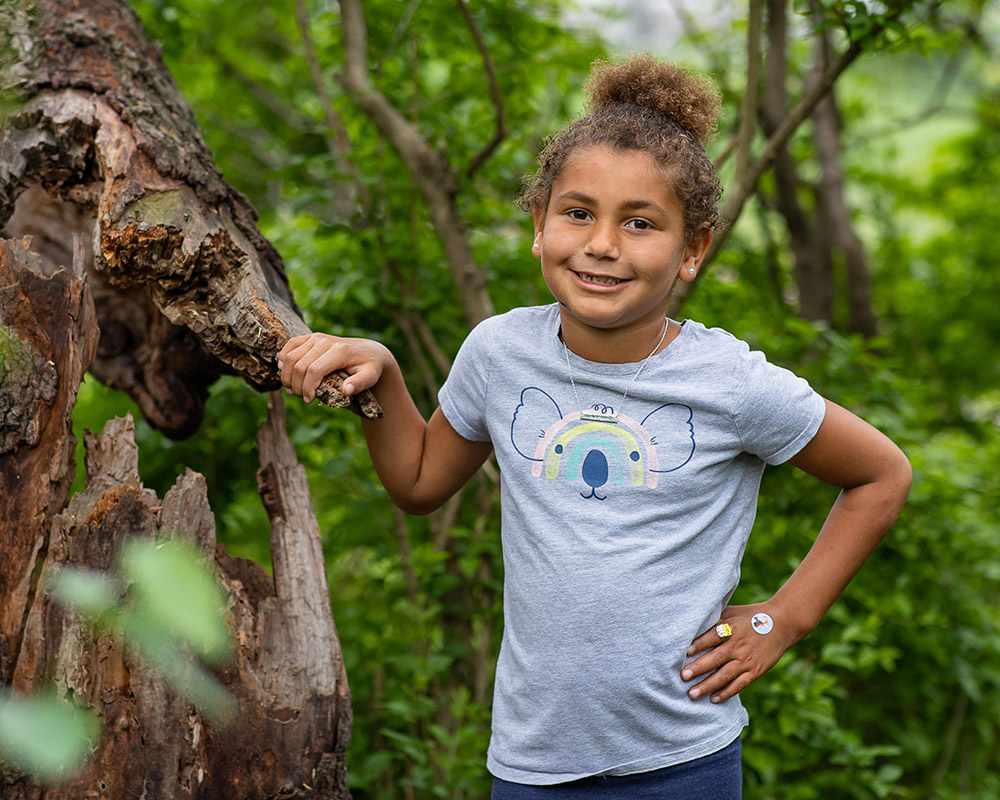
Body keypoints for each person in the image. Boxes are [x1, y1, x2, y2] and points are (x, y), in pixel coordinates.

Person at [278, 54, 912, 799]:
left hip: (685, 761)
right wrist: (381, 376)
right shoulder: (500, 353)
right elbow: (418, 482)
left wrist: (784, 619)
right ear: (539, 224)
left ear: (693, 251)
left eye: (640, 223)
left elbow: (881, 473)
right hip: (531, 761)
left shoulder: (730, 382)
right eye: (578, 213)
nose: (603, 244)